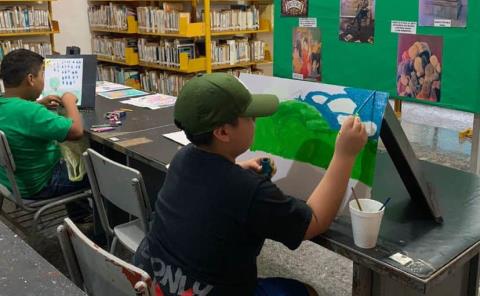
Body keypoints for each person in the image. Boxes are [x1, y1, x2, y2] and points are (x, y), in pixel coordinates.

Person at [133, 73, 367, 296]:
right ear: (223, 132)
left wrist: (238, 169)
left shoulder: (182, 158)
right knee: (306, 292)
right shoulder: (248, 190)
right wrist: (345, 155)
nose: (256, 121)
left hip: (156, 283)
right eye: (250, 117)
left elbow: (210, 185)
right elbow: (313, 222)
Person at [0, 49, 89, 204]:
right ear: (30, 79)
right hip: (41, 185)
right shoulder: (31, 112)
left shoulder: (7, 104)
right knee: (96, 172)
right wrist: (69, 101)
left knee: (69, 161)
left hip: (10, 182)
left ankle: (78, 217)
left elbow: (19, 115)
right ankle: (84, 220)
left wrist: (39, 103)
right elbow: (76, 132)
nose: (44, 80)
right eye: (42, 74)